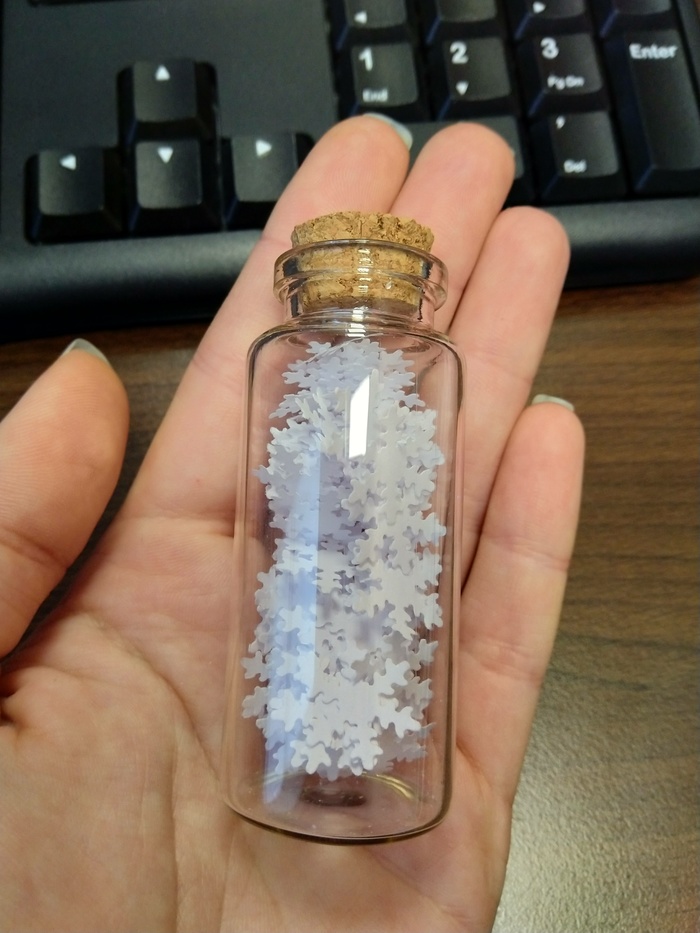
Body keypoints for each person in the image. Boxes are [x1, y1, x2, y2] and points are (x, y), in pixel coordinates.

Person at [0, 116, 584, 932]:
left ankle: (365, 748)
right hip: (267, 763)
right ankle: (291, 754)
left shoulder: (430, 362)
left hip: (387, 748)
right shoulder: (282, 354)